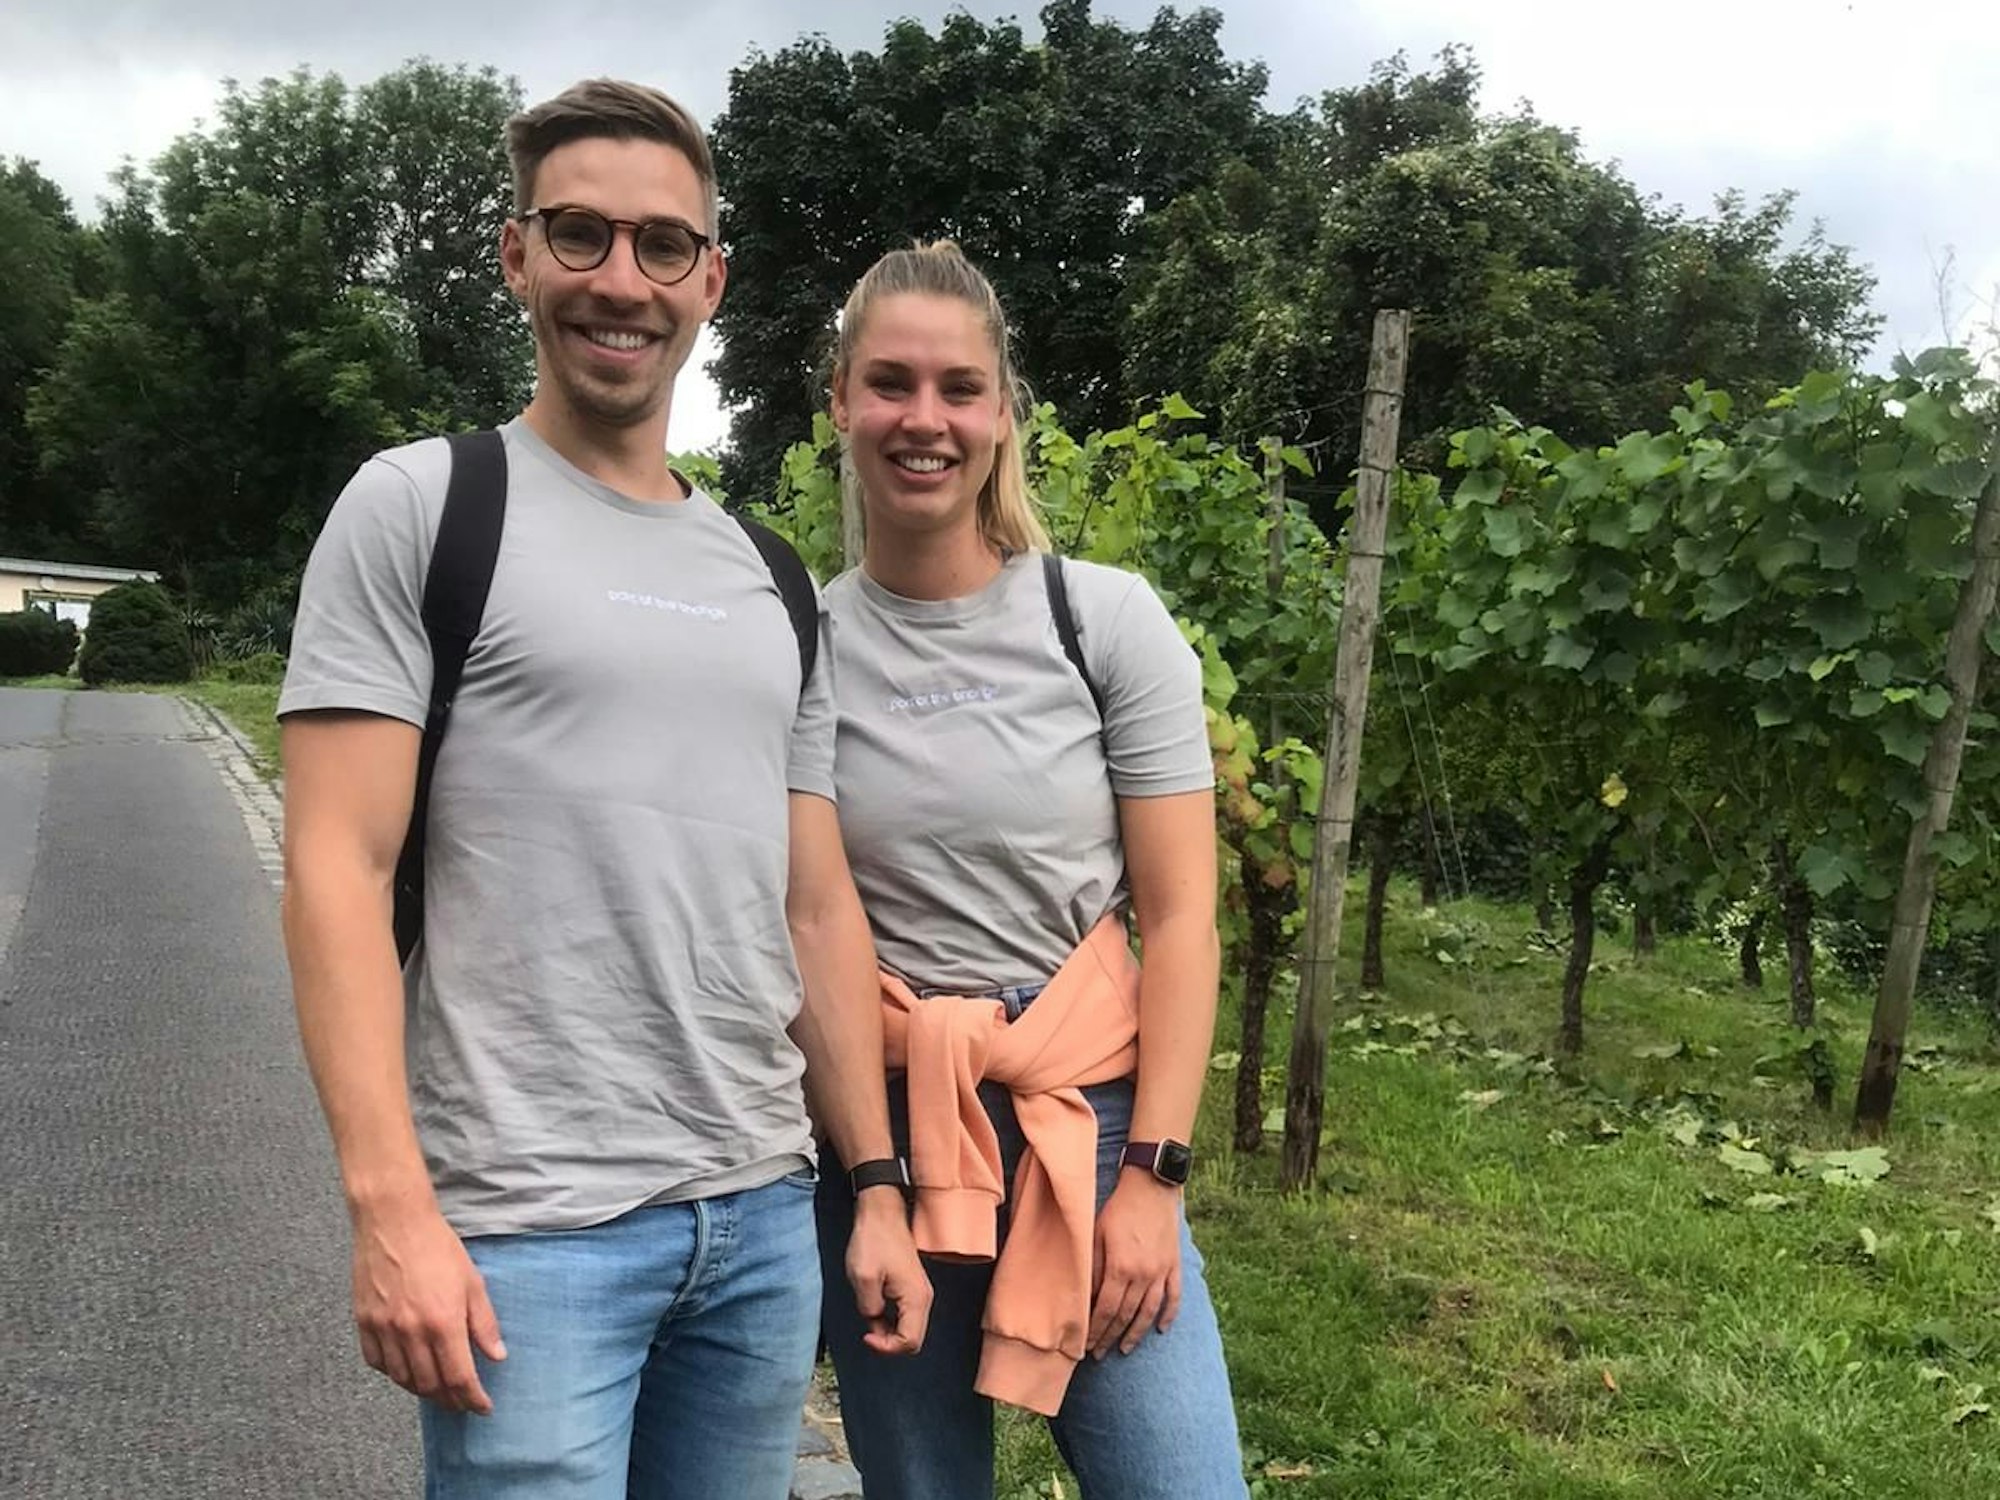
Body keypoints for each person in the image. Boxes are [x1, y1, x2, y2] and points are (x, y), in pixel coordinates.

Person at [277, 79, 930, 1499]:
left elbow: (813, 906)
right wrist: (391, 1210)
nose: (620, 282)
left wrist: (871, 1186)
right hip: (526, 1231)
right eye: (579, 237)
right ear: (516, 257)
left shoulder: (769, 577)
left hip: (758, 1224)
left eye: (661, 246)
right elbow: (332, 864)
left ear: (713, 281)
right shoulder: (424, 509)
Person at [812, 239, 1248, 1499]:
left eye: (958, 388)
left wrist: (1152, 1182)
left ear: (1003, 415)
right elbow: (807, 918)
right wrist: (867, 1183)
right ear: (839, 403)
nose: (922, 419)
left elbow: (1180, 920)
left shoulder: (1103, 622)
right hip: (888, 1135)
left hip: (1091, 1124)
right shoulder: (801, 646)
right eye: (888, 383)